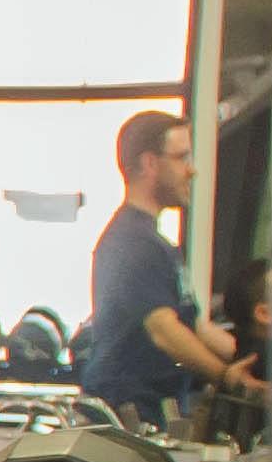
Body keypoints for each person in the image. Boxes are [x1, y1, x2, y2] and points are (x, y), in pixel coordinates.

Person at [82, 106, 255, 432]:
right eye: (181, 158)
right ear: (150, 163)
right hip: (124, 415)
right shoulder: (132, 242)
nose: (192, 171)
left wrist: (257, 358)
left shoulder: (156, 243)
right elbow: (164, 330)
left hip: (149, 411)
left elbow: (193, 326)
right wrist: (227, 377)